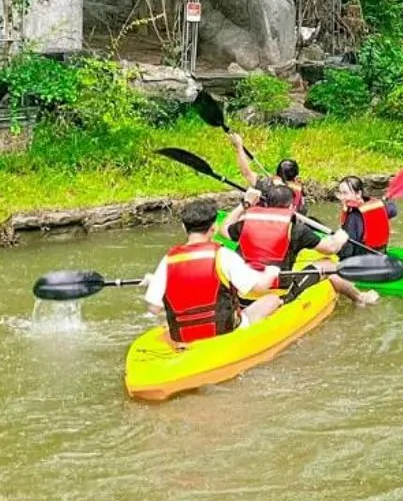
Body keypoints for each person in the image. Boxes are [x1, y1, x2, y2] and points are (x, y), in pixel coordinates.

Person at [142, 199, 283, 343]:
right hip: (224, 333)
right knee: (272, 299)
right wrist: (270, 272)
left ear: (184, 227)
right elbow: (259, 287)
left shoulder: (168, 260)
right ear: (214, 227)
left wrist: (156, 283)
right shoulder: (223, 255)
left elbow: (154, 309)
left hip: (183, 337)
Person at [220, 182, 379, 305]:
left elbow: (224, 229)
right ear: (291, 206)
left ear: (266, 204)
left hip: (243, 286)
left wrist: (244, 204)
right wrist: (341, 236)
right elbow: (330, 249)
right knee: (329, 264)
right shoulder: (296, 230)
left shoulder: (246, 222)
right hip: (276, 288)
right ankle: (360, 298)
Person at [230, 131, 304, 212]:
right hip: (286, 222)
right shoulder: (298, 190)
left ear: (277, 175)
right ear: (296, 178)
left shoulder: (266, 184)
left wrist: (239, 146)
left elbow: (246, 173)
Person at [335, 175, 397, 256]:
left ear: (358, 193)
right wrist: (385, 202)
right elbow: (393, 210)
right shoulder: (379, 205)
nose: (342, 197)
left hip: (361, 262)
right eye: (340, 193)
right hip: (381, 255)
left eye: (345, 193)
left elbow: (348, 249)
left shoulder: (353, 216)